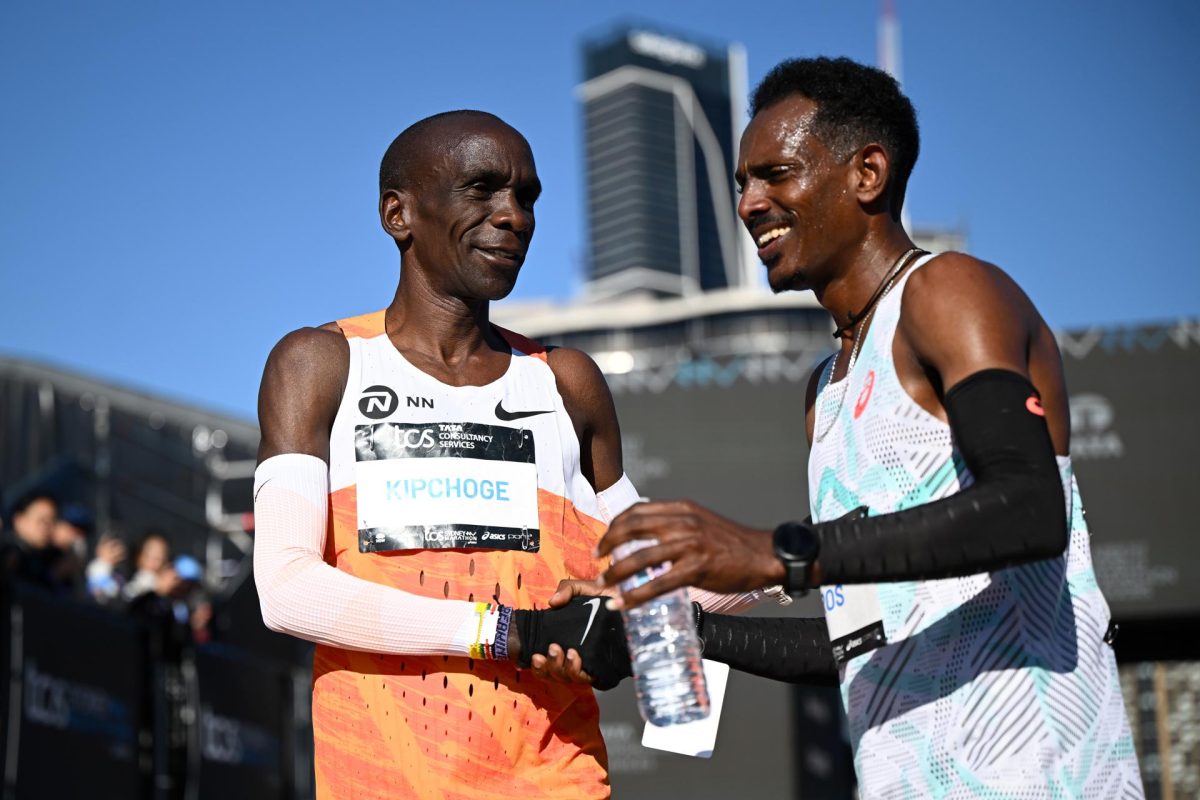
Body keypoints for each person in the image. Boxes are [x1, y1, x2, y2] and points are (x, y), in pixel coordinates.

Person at [596, 58, 1143, 797]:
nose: (750, 203)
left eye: (775, 174)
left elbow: (1030, 507)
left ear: (868, 174)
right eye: (742, 182)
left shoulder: (947, 290)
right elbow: (866, 637)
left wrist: (770, 553)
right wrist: (690, 631)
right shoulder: (824, 392)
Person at [252, 110, 644, 799]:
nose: (514, 216)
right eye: (482, 189)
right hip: (382, 781)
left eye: (526, 197)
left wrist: (796, 561)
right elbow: (286, 590)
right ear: (397, 214)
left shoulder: (564, 381)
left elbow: (660, 577)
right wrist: (506, 632)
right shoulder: (321, 364)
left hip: (557, 779)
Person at [0, 489, 61, 589]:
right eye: (42, 520)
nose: (47, 527)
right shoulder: (11, 554)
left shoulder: (45, 557)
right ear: (19, 520)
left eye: (52, 521)